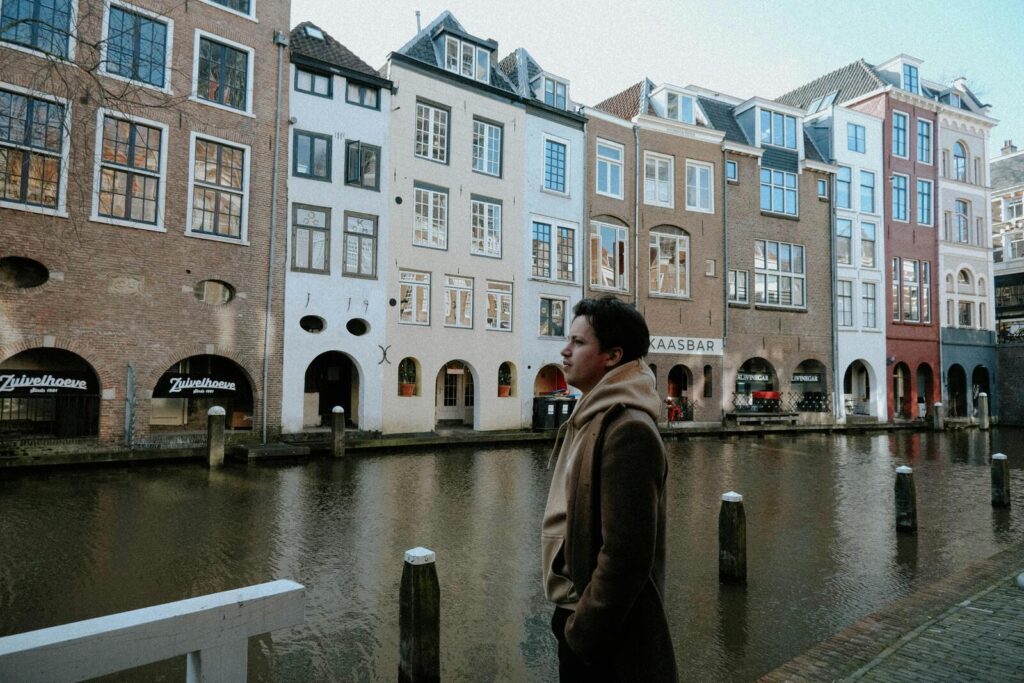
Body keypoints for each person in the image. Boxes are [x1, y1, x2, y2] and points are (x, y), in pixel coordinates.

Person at [541, 296, 677, 682]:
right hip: (576, 612)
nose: (565, 351)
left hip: (598, 634)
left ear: (612, 356)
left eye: (579, 343)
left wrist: (582, 634)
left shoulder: (627, 428)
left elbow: (627, 555)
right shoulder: (593, 414)